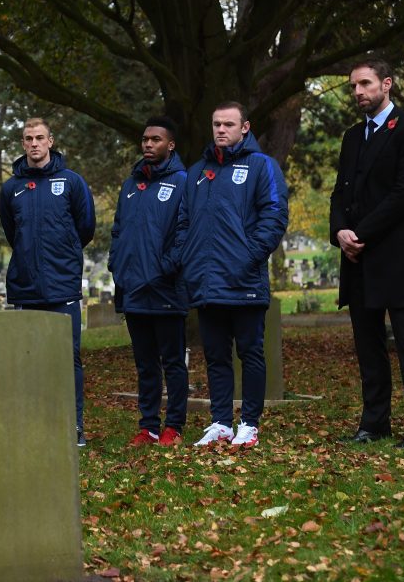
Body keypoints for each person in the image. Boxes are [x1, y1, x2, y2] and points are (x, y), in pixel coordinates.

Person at [329, 58, 404, 448]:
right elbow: (340, 192)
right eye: (353, 86)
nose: (358, 92)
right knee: (367, 347)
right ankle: (375, 423)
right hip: (356, 257)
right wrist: (339, 231)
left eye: (365, 83)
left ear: (386, 84)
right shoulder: (352, 137)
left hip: (395, 254)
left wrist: (360, 233)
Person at [176, 102, 289, 448]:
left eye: (228, 124)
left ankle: (249, 424)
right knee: (215, 355)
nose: (221, 129)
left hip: (244, 280)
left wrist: (248, 258)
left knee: (251, 353)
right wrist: (188, 259)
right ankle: (221, 422)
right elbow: (183, 221)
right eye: (216, 124)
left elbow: (274, 216)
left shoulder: (262, 166)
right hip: (207, 282)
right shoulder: (196, 171)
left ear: (245, 128)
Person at [0, 118, 95, 447]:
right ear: (23, 143)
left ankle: (74, 425)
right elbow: (12, 232)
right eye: (29, 139)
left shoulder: (71, 182)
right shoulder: (11, 188)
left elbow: (85, 229)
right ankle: (37, 424)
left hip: (62, 286)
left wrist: (64, 255)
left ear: (50, 141)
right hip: (26, 287)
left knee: (68, 358)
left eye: (40, 138)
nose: (35, 144)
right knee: (31, 360)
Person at [109, 117, 189, 447]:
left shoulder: (183, 181)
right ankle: (148, 426)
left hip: (165, 286)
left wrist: (166, 267)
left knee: (172, 362)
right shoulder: (131, 184)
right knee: (145, 364)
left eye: (155, 139)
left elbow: (185, 231)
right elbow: (118, 229)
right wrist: (117, 265)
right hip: (133, 287)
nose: (147, 144)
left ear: (170, 145)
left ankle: (174, 426)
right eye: (145, 139)